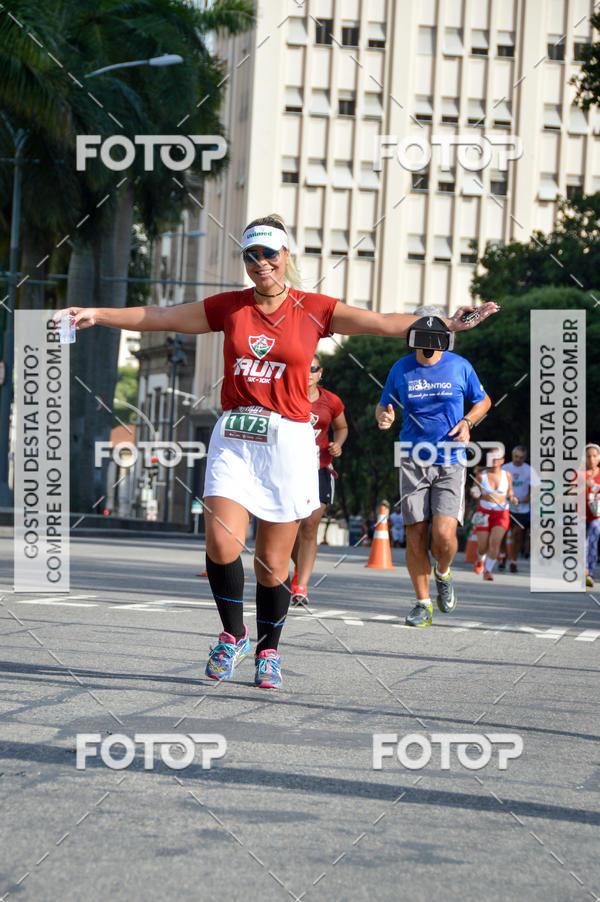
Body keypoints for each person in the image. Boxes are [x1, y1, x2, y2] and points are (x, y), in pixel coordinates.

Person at [55, 215, 498, 686]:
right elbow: (161, 317)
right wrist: (97, 314)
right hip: (235, 438)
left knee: (271, 565)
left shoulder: (314, 308)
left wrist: (444, 325)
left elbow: (381, 323)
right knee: (221, 542)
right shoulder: (229, 308)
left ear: (286, 256)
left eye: (269, 253)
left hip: (288, 441)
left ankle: (269, 651)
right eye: (251, 255)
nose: (261, 263)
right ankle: (232, 636)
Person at [376, 310, 492, 627]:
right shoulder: (401, 369)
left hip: (451, 459)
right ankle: (422, 603)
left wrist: (468, 421)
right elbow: (384, 404)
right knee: (416, 535)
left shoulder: (459, 366)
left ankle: (443, 571)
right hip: (413, 459)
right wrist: (383, 417)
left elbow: (483, 401)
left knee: (443, 535)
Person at [290, 353, 348, 605]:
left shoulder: (331, 400)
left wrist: (338, 445)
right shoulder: (286, 395)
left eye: (313, 369)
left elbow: (341, 427)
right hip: (289, 469)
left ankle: (301, 586)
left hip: (319, 468)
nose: (308, 373)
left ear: (320, 372)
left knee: (310, 525)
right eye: (304, 367)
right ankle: (295, 571)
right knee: (288, 529)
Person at [472, 447, 517, 580]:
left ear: (502, 460)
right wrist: (475, 492)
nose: (494, 461)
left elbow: (510, 491)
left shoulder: (507, 475)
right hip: (484, 512)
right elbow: (474, 489)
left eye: (496, 458)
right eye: (491, 458)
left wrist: (513, 498)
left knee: (495, 542)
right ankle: (480, 559)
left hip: (501, 512)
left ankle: (488, 570)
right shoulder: (481, 475)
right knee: (482, 545)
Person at [501, 444, 533, 572]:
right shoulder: (505, 468)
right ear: (512, 456)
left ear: (525, 458)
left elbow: (535, 489)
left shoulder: (529, 470)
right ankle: (502, 555)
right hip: (505, 506)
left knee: (517, 534)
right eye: (516, 456)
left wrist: (525, 498)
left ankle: (513, 560)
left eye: (521, 457)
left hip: (522, 508)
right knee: (502, 533)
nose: (518, 459)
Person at [585, 443, 600, 588]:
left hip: (597, 514)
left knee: (592, 542)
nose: (591, 459)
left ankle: (589, 572)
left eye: (594, 456)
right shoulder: (578, 474)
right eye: (588, 456)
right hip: (580, 513)